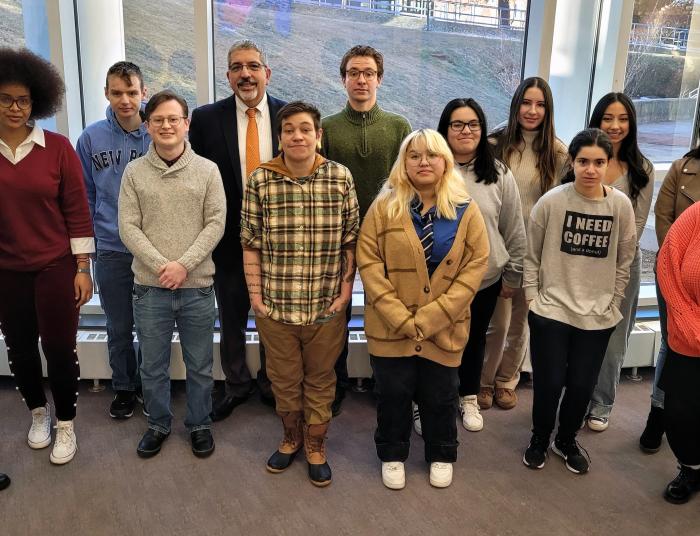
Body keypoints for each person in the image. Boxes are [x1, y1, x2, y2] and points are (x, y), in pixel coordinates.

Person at [357, 129, 489, 490]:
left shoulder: (466, 210)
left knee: (441, 395)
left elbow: (474, 267)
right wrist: (400, 317)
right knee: (393, 393)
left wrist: (430, 318)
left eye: (431, 155)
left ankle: (442, 452)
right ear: (404, 163)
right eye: (414, 156)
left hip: (444, 328)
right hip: (390, 327)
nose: (423, 162)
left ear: (445, 160)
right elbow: (368, 264)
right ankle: (392, 453)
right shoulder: (383, 207)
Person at [241, 101, 359, 487]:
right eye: (289, 129)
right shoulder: (260, 180)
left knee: (322, 378)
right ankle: (291, 438)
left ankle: (316, 444)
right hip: (276, 306)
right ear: (280, 137)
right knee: (284, 379)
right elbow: (250, 244)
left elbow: (349, 243)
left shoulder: (339, 178)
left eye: (305, 129)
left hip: (326, 305)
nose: (297, 135)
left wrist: (345, 292)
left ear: (318, 135)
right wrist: (256, 298)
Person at [522, 128, 636, 475]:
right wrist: (532, 299)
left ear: (608, 164)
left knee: (582, 385)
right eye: (583, 161)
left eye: (599, 162)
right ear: (572, 162)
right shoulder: (552, 202)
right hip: (551, 310)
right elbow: (532, 255)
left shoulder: (620, 205)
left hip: (597, 315)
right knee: (549, 382)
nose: (591, 169)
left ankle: (566, 439)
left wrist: (613, 301)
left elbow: (624, 259)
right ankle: (540, 438)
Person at [119, 90, 226, 459]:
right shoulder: (134, 172)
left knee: (200, 364)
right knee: (152, 364)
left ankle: (199, 424)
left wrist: (183, 265)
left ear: (186, 123)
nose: (166, 126)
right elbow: (128, 227)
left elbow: (216, 224)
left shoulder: (208, 171)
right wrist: (163, 266)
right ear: (147, 126)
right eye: (158, 120)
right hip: (150, 288)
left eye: (173, 119)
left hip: (197, 286)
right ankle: (158, 423)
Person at [0, 47, 94, 465]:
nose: (15, 107)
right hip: (7, 271)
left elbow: (77, 209)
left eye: (23, 100)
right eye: (5, 99)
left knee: (58, 347)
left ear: (36, 101)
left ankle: (66, 424)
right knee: (19, 348)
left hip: (56, 267)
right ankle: (38, 414)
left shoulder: (56, 148)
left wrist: (82, 267)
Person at [189, 39, 286, 420]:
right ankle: (236, 384)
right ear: (228, 76)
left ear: (267, 72)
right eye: (237, 67)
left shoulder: (288, 117)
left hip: (280, 240)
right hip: (227, 239)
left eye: (253, 66)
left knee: (272, 317)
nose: (245, 74)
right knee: (231, 313)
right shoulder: (205, 119)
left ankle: (270, 382)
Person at [321, 45, 412, 416]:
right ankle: (337, 382)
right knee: (335, 313)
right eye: (354, 72)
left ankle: (383, 381)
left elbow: (404, 184)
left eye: (368, 73)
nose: (361, 79)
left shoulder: (398, 126)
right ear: (343, 78)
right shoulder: (325, 127)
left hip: (384, 237)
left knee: (384, 310)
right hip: (336, 237)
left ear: (379, 79)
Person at [437, 98, 525, 432]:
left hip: (484, 279)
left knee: (474, 339)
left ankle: (469, 396)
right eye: (457, 124)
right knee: (434, 339)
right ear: (445, 129)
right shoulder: (431, 168)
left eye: (473, 124)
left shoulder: (499, 173)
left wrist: (513, 273)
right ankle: (429, 401)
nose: (465, 131)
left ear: (482, 129)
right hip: (436, 279)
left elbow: (513, 227)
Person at [482, 76, 568, 411]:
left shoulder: (559, 153)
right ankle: (484, 382)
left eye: (540, 104)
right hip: (500, 249)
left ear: (548, 110)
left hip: (537, 252)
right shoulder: (495, 145)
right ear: (516, 104)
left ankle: (506, 381)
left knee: (522, 323)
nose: (532, 111)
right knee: (497, 323)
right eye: (526, 103)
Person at [76, 61, 149, 419]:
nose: (125, 100)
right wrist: (85, 256)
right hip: (111, 249)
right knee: (119, 325)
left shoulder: (160, 131)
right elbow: (85, 197)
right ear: (106, 93)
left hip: (153, 250)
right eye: (117, 93)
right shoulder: (90, 138)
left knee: (153, 325)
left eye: (132, 92)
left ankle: (152, 386)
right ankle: (124, 386)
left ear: (143, 92)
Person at [585, 92, 654, 432]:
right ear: (596, 120)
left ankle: (601, 403)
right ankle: (577, 398)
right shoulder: (583, 160)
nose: (614, 126)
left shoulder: (642, 168)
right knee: (579, 336)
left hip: (621, 268)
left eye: (622, 119)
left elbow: (636, 227)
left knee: (613, 340)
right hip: (580, 263)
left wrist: (610, 264)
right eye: (608, 118)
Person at [640, 143, 700, 453]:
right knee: (671, 343)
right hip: (675, 278)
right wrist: (675, 270)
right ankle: (658, 414)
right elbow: (664, 220)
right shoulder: (682, 168)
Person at [655, 200, 700, 504]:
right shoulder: (696, 214)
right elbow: (668, 267)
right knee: (679, 413)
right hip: (689, 339)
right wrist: (692, 327)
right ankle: (691, 468)